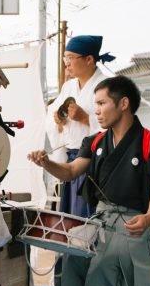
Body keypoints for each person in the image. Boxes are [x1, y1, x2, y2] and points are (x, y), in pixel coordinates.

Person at [29, 76, 150, 286]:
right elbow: (70, 171)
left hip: (135, 223)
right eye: (95, 104)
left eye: (101, 103)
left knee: (128, 277)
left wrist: (148, 218)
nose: (95, 110)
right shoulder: (95, 141)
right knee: (70, 259)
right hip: (100, 222)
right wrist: (47, 163)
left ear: (123, 104)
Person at [45, 35, 113, 218]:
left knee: (86, 220)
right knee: (70, 220)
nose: (66, 63)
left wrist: (85, 118)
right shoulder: (68, 87)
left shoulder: (106, 86)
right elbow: (54, 118)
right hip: (71, 160)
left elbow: (115, 125)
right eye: (64, 58)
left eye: (70, 58)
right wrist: (58, 120)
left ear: (89, 59)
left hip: (93, 162)